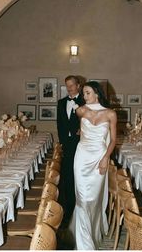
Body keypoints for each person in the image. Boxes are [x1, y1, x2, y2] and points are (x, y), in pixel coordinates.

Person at [70, 81, 117, 250]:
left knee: (94, 199)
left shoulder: (110, 114)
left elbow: (113, 140)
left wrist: (106, 158)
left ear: (97, 93)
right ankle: (84, 244)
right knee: (82, 199)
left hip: (99, 157)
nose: (84, 96)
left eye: (87, 93)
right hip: (82, 157)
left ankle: (93, 231)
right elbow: (80, 133)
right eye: (83, 93)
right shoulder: (80, 111)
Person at [57, 75, 84, 225]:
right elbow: (59, 124)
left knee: (77, 173)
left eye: (72, 85)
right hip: (66, 143)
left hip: (80, 143)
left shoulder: (85, 101)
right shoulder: (61, 103)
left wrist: (83, 128)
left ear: (78, 85)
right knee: (66, 174)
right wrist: (61, 142)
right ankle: (67, 208)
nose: (69, 88)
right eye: (67, 85)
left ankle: (76, 207)